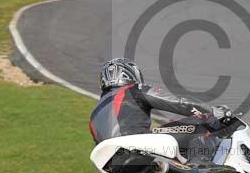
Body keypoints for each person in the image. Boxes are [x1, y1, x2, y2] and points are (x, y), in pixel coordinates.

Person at [89, 58, 231, 146]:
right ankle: (202, 165)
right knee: (202, 122)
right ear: (131, 73)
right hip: (138, 144)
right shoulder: (133, 89)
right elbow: (178, 102)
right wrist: (211, 112)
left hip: (113, 164)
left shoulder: (93, 115)